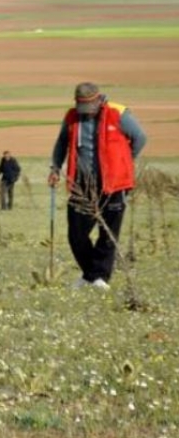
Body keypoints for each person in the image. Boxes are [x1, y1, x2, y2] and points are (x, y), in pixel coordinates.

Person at [47, 82, 146, 290]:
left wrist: (124, 163)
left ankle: (100, 278)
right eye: (80, 106)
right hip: (81, 183)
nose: (84, 111)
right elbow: (61, 143)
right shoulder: (72, 117)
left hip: (114, 183)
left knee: (108, 232)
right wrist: (55, 168)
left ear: (98, 100)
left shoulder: (119, 113)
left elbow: (140, 138)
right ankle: (92, 274)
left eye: (88, 106)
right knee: (76, 233)